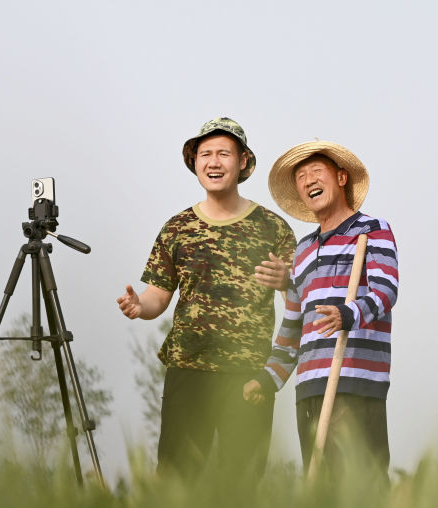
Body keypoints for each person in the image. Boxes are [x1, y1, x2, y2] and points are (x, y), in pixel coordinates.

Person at [117, 117, 296, 480]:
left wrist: (286, 281)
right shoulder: (177, 228)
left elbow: (298, 301)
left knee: (241, 483)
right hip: (188, 370)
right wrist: (140, 308)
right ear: (195, 162)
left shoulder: (273, 228)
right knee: (177, 480)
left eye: (224, 154)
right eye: (205, 154)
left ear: (243, 161)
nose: (214, 162)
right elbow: (157, 298)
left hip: (249, 375)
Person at [243, 140, 398, 473]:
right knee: (323, 499)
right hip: (310, 387)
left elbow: (386, 291)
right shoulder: (303, 250)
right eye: (301, 177)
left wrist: (348, 314)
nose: (308, 180)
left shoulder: (372, 231)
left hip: (355, 380)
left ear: (341, 178)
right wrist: (268, 377)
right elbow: (294, 326)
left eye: (316, 171)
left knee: (361, 489)